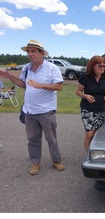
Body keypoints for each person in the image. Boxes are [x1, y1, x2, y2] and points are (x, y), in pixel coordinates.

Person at [0, 39, 65, 175]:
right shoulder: (26, 68)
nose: (30, 54)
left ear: (41, 53)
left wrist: (40, 85)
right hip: (30, 111)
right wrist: (9, 76)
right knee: (32, 139)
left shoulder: (52, 68)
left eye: (33, 51)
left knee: (51, 138)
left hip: (46, 111)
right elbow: (23, 84)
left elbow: (59, 86)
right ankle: (35, 163)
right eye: (28, 52)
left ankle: (56, 161)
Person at [76, 55, 105, 151]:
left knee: (99, 133)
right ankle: (88, 155)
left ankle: (98, 153)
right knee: (90, 133)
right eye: (99, 66)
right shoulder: (85, 77)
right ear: (92, 66)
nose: (102, 68)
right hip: (88, 109)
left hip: (102, 109)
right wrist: (86, 96)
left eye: (104, 66)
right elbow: (78, 92)